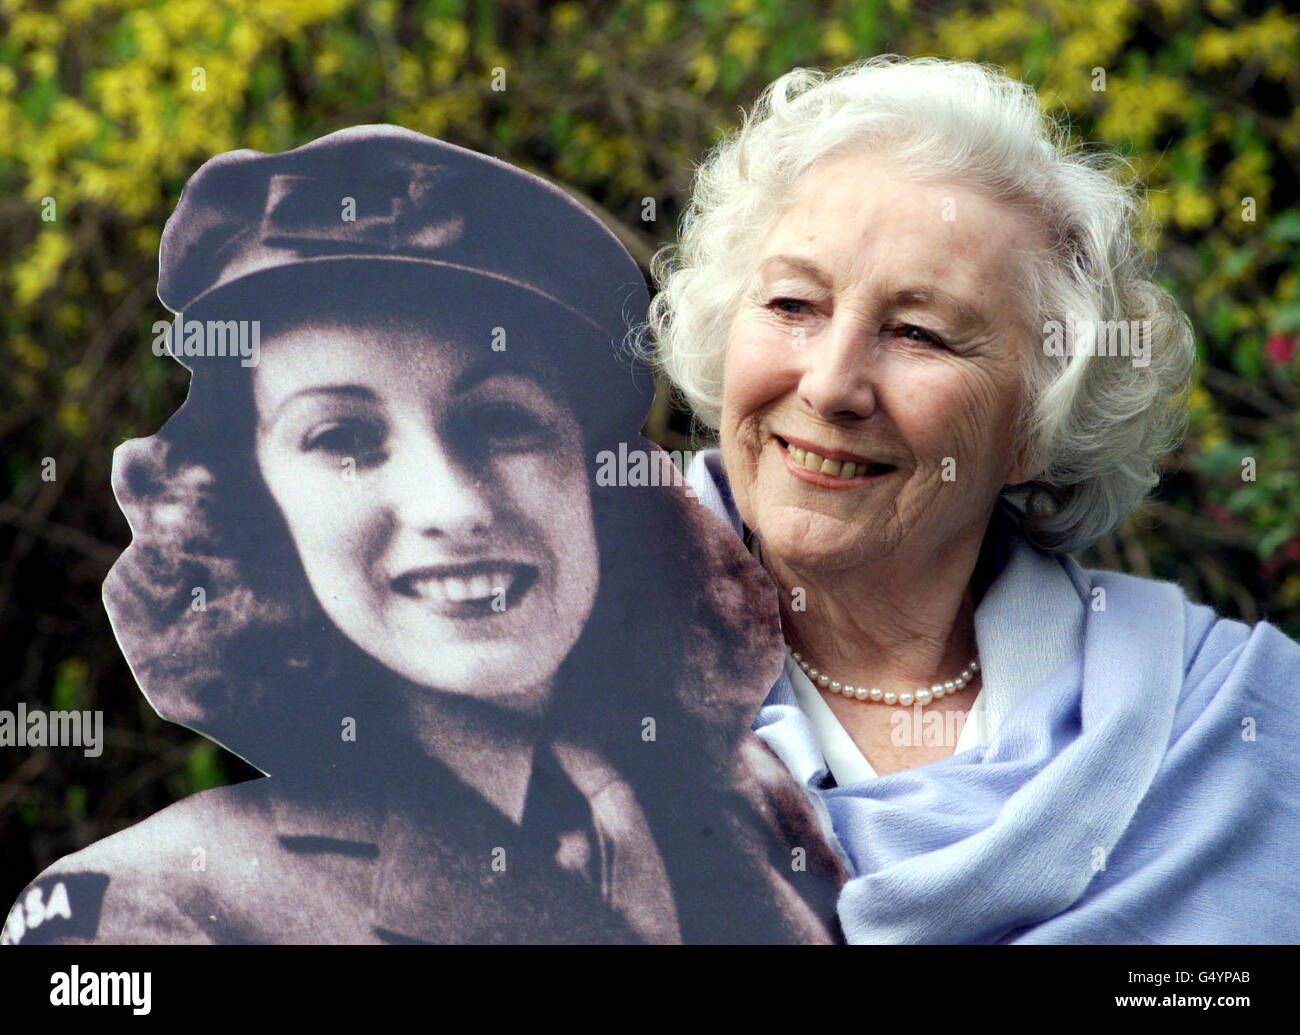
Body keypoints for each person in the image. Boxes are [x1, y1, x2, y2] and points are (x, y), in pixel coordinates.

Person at [2, 125, 844, 946]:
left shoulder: (754, 803)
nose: (452, 503)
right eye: (341, 438)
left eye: (503, 420)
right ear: (257, 506)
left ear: (593, 474)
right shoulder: (151, 913)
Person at [643, 54, 1300, 943]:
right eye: (794, 303)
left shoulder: (1234, 726)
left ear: (1035, 425)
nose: (833, 383)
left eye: (919, 333)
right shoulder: (551, 649)